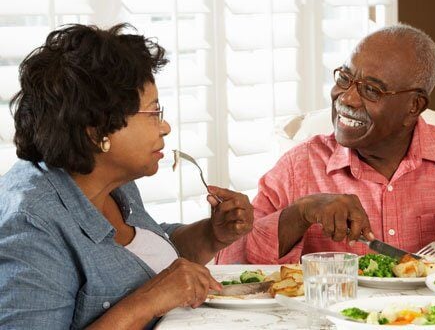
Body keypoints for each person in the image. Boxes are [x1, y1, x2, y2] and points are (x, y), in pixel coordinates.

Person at [0, 23, 253, 329]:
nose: (165, 127)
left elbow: (144, 257)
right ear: (97, 130)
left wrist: (212, 235)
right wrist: (148, 301)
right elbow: (155, 287)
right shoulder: (31, 228)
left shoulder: (110, 182)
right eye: (153, 112)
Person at [215, 23, 435, 265]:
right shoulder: (299, 167)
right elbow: (231, 262)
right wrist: (301, 213)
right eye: (345, 78)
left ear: (414, 106)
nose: (346, 98)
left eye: (371, 90)